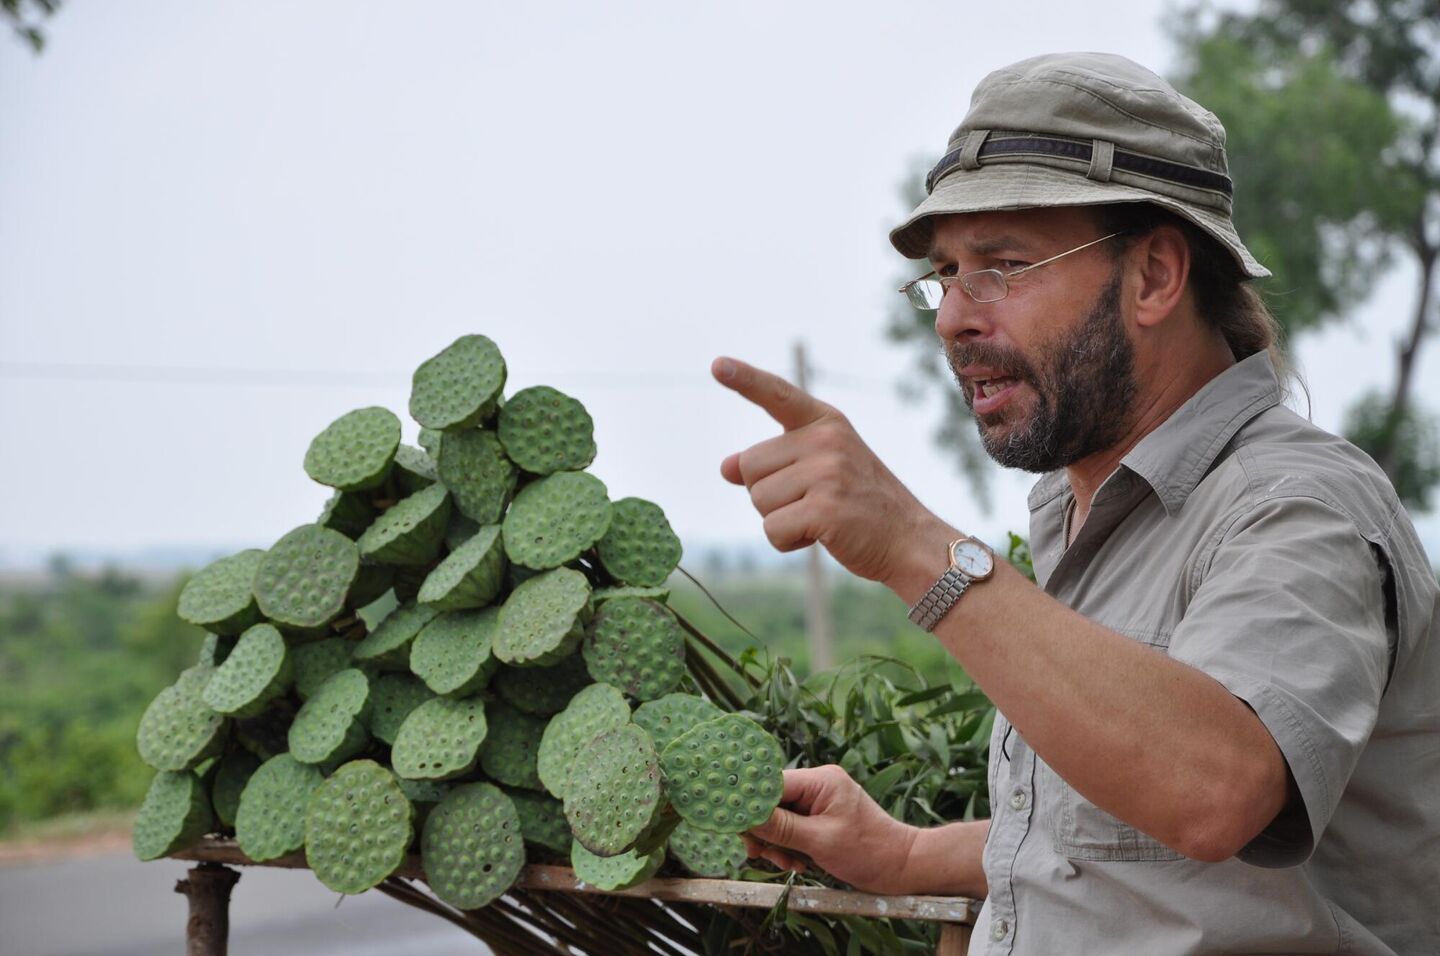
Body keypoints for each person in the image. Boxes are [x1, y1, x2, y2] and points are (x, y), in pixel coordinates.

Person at [712, 53, 1439, 955]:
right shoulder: (1075, 509)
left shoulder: (1295, 506)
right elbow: (1139, 867)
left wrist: (916, 547)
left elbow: (1213, 792)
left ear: (1155, 278)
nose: (952, 318)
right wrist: (903, 854)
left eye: (1002, 265)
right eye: (945, 275)